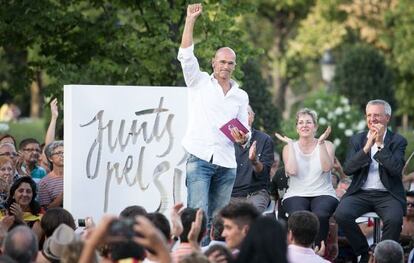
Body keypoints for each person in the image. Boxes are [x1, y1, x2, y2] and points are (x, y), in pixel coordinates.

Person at [177, 3, 250, 229]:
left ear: (234, 66)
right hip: (199, 158)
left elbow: (244, 133)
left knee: (219, 224)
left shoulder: (241, 95)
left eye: (230, 63)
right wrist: (190, 20)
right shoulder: (198, 82)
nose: (226, 66)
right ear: (213, 63)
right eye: (222, 62)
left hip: (227, 163)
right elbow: (186, 56)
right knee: (197, 217)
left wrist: (242, 139)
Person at [334, 99, 407, 263]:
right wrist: (367, 147)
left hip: (388, 194)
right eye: (369, 115)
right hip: (361, 192)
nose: (372, 119)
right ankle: (365, 254)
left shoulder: (398, 141)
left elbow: (396, 170)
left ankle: (382, 257)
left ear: (387, 117)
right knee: (341, 214)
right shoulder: (357, 140)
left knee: (394, 220)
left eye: (377, 115)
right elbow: (348, 169)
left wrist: (380, 145)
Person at [275, 108, 338, 245]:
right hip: (296, 193)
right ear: (297, 128)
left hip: (323, 193)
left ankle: (318, 252)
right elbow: (291, 170)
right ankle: (298, 251)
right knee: (300, 218)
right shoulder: (288, 148)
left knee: (320, 215)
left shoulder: (327, 145)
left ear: (315, 127)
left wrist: (320, 143)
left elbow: (327, 167)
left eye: (308, 122)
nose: (304, 125)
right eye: (301, 123)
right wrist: (291, 145)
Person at [231, 105, 274, 213]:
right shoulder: (226, 142)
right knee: (219, 218)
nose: (243, 117)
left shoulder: (264, 140)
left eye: (246, 113)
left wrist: (254, 161)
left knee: (250, 217)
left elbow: (264, 174)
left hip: (255, 193)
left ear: (252, 117)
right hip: (230, 195)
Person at [38, 141, 64, 209]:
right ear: (50, 158)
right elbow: (45, 210)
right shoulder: (44, 182)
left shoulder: (75, 177)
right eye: (59, 153)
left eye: (65, 152)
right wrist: (62, 197)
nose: (63, 155)